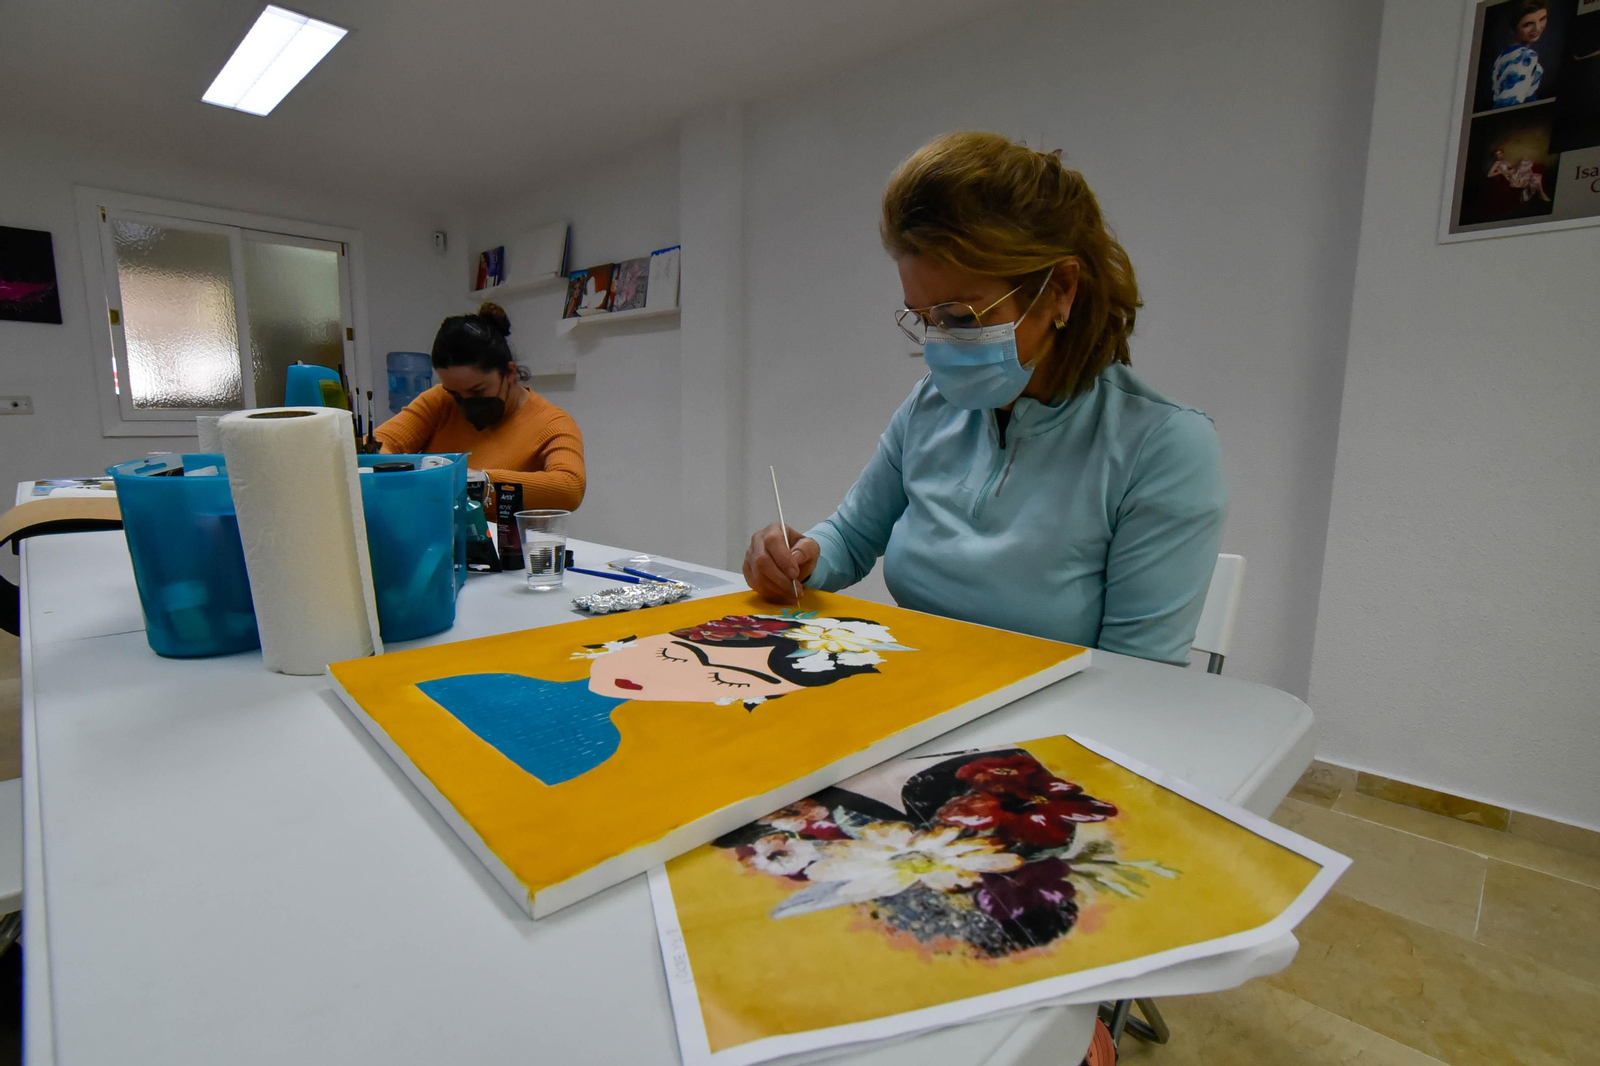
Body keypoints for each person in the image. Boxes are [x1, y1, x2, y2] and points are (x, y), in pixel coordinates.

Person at [744, 132, 1228, 666]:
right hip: (917, 683)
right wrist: (801, 557)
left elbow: (1136, 679)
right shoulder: (931, 406)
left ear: (1060, 289)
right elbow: (854, 535)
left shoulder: (1161, 447)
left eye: (961, 317)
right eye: (923, 320)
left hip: (1053, 712)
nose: (939, 345)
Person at [417, 612, 912, 784]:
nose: (668, 675)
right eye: (674, 654)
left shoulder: (596, 751)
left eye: (728, 682)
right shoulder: (484, 683)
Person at [375, 302, 585, 511]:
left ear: (510, 373)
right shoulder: (440, 400)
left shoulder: (552, 423)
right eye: (455, 393)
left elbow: (570, 488)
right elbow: (377, 446)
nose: (465, 403)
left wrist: (479, 482)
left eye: (477, 391)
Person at [1492, 2, 1549, 107]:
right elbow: (1508, 105)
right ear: (1514, 29)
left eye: (1542, 19)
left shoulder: (1504, 55)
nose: (1537, 28)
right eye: (1528, 24)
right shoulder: (1525, 57)